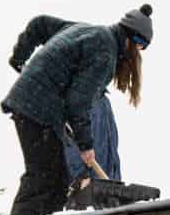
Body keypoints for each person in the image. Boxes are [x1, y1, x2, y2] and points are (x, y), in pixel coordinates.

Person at [2, 4, 152, 215]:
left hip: (36, 107)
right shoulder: (106, 53)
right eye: (140, 46)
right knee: (42, 176)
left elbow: (39, 24)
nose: (138, 52)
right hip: (37, 108)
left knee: (58, 181)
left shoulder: (86, 31)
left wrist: (19, 58)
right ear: (132, 39)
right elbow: (78, 101)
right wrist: (86, 145)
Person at [8, 15, 123, 185]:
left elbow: (39, 24)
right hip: (81, 183)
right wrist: (19, 59)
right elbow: (39, 24)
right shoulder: (85, 102)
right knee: (50, 179)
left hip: (98, 183)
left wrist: (19, 58)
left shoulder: (100, 104)